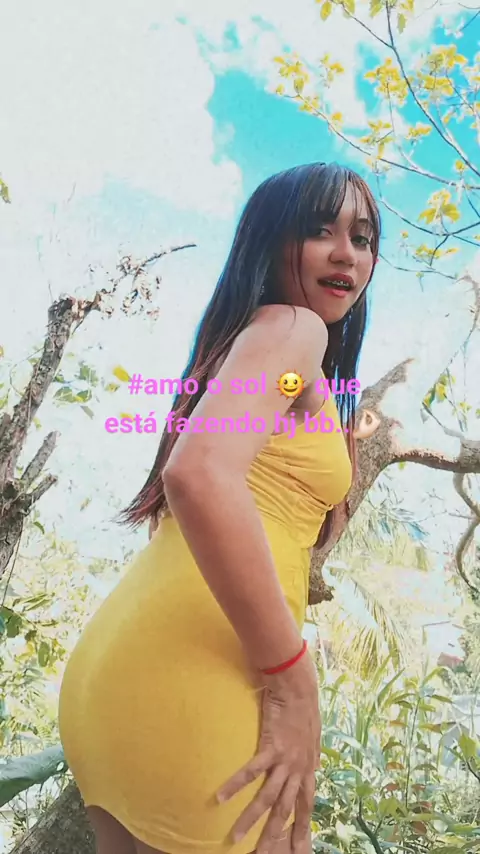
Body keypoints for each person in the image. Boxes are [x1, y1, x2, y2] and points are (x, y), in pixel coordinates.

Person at [58, 161, 381, 854]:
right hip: (206, 680)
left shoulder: (264, 352)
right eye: (319, 230)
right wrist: (292, 680)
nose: (346, 254)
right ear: (270, 242)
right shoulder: (296, 330)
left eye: (362, 238)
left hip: (123, 667)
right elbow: (200, 475)